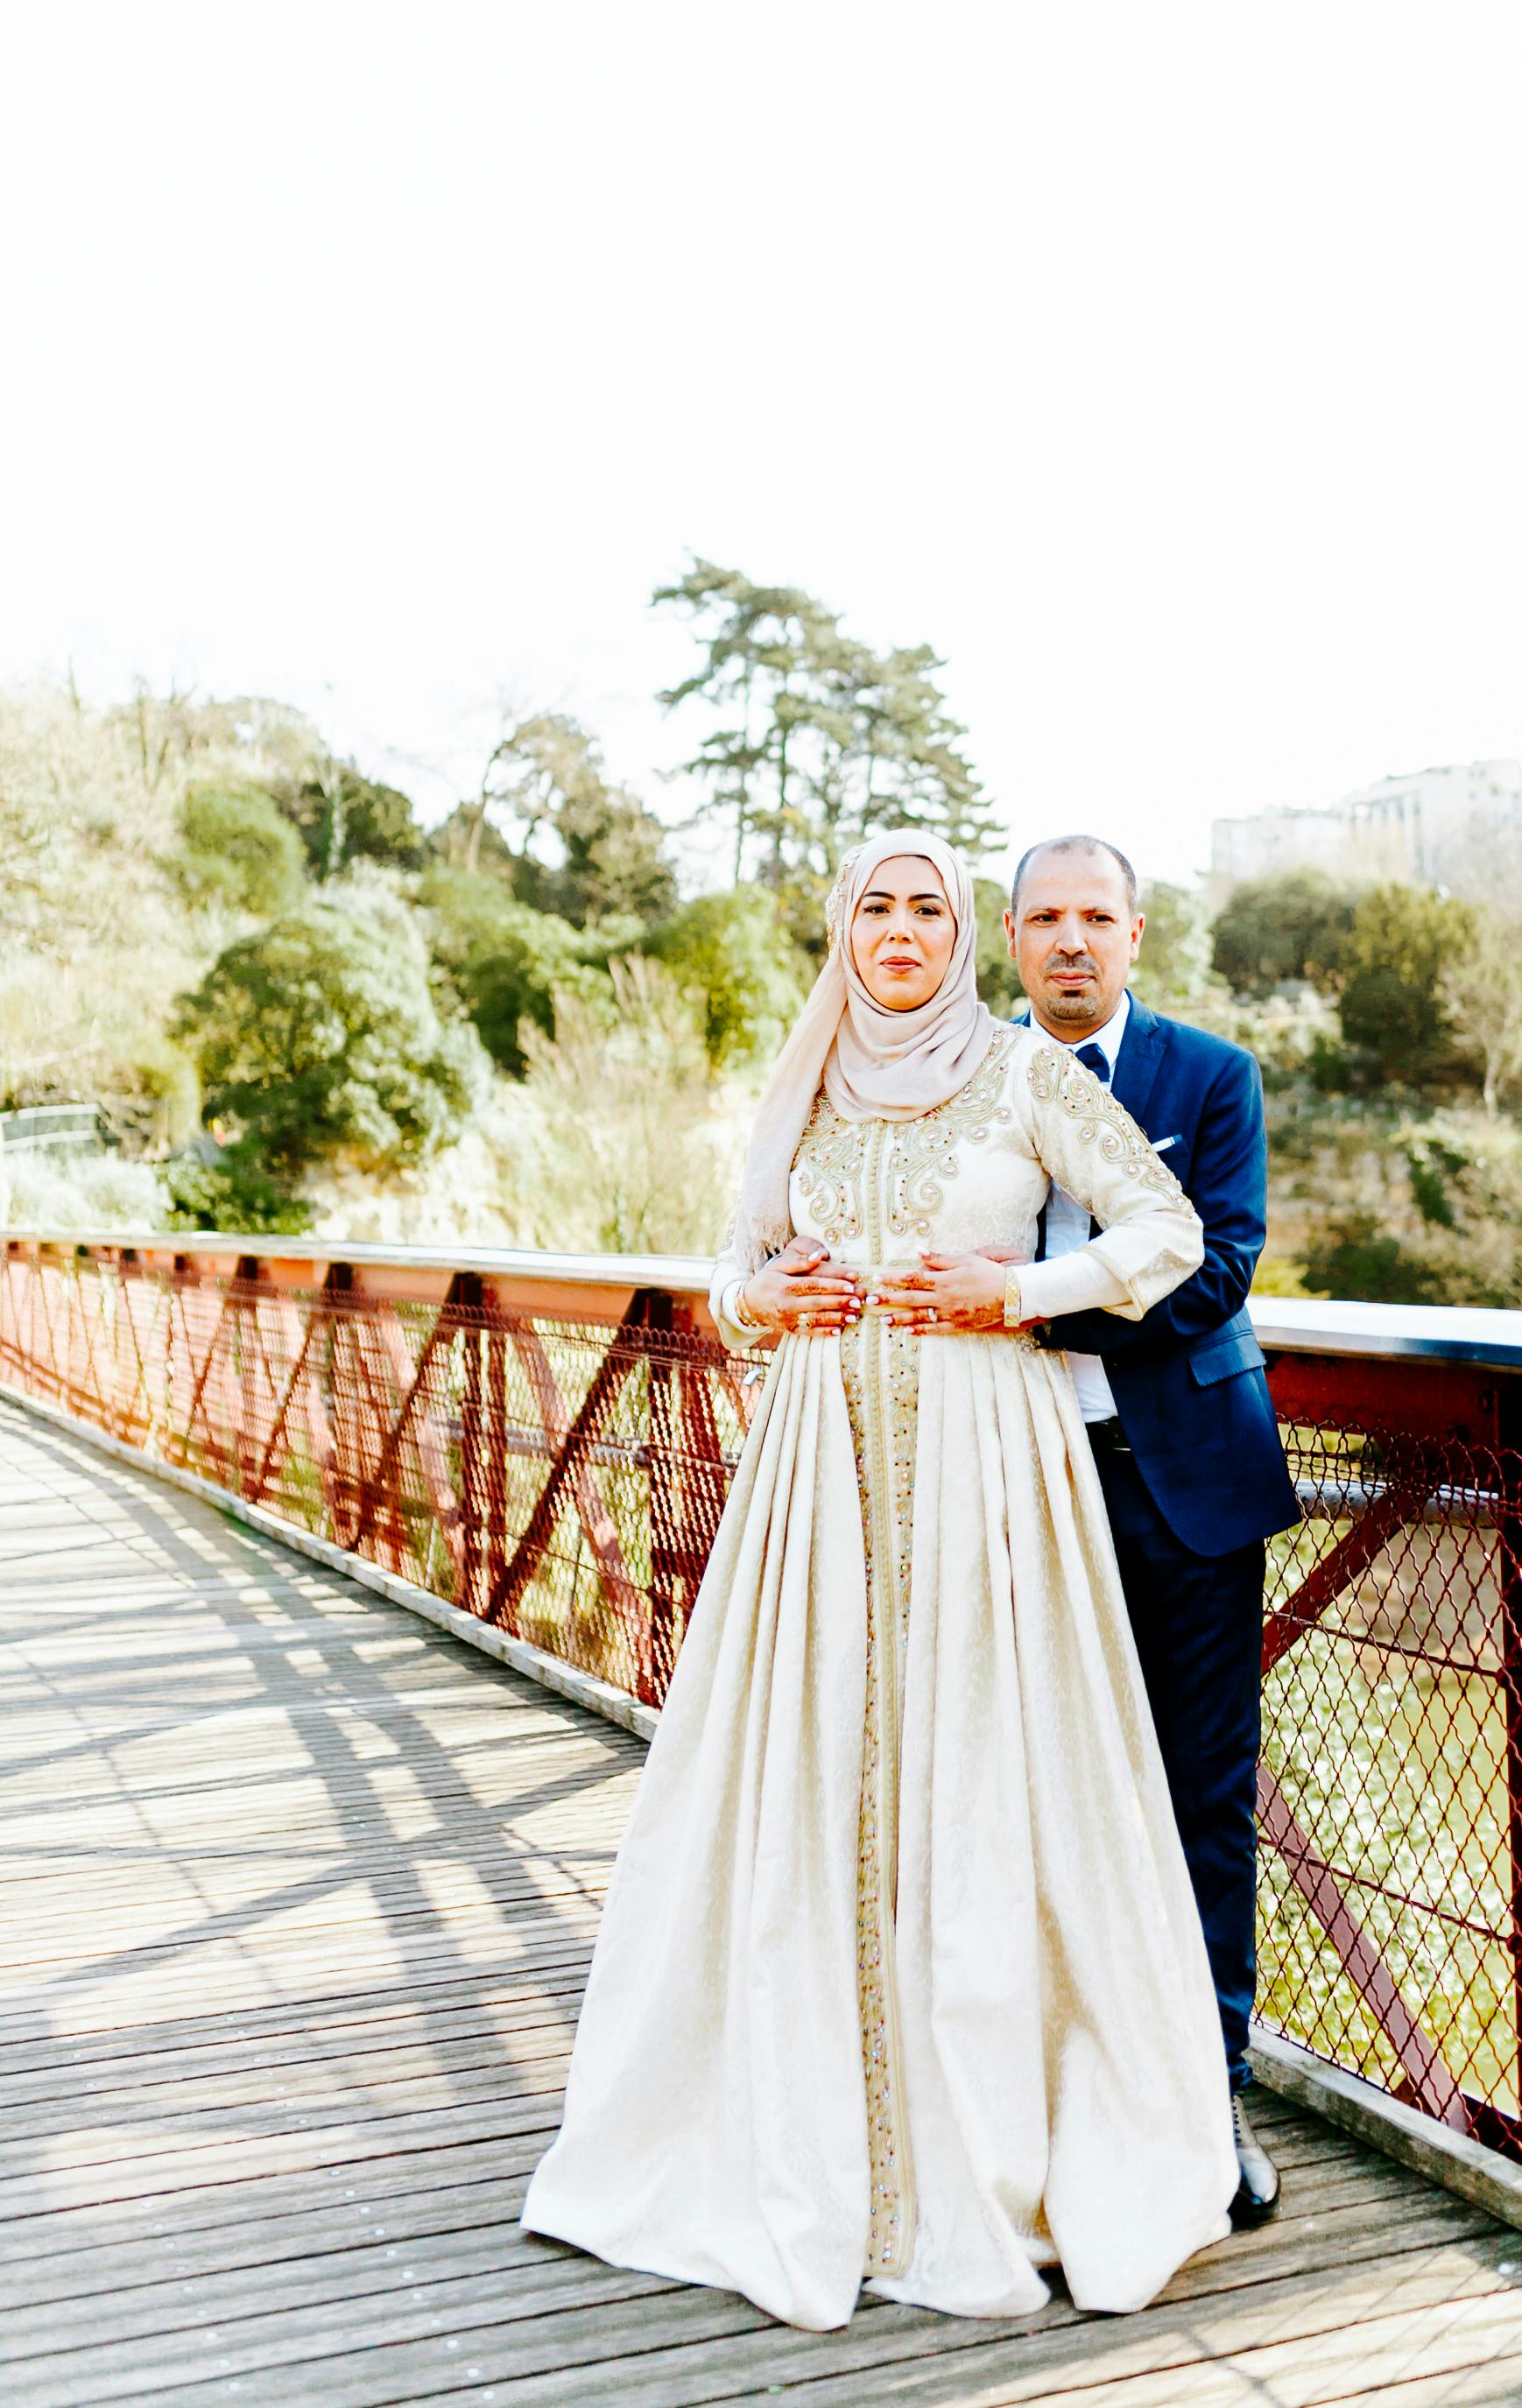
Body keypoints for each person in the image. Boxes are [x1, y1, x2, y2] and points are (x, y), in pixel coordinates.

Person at [523, 832, 1238, 2332]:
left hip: (989, 1469)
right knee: (819, 1776)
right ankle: (808, 2121)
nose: (901, 930)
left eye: (928, 908)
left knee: (985, 1773)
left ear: (959, 932)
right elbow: (737, 1272)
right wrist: (754, 1294)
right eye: (876, 906)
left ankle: (1002, 2134)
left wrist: (1021, 1293)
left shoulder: (1028, 1074)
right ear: (842, 927)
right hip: (817, 1476)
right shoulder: (805, 1078)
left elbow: (1167, 1232)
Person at [908, 832, 1300, 2222]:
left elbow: (1220, 1268)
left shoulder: (1213, 1077)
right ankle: (1047, 2094)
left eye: (1098, 917)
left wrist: (1018, 1298)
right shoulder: (964, 1080)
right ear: (1009, 938)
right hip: (1011, 1477)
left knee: (1198, 1792)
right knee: (1024, 1784)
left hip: (1181, 1478)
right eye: (1047, 918)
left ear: (1137, 935)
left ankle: (1210, 2101)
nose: (1073, 940)